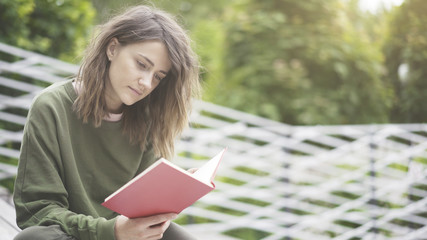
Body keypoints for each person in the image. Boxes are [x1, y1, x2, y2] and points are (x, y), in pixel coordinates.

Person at [13, 4, 201, 240]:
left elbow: (142, 209)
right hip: (74, 234)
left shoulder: (148, 121)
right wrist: (110, 231)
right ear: (112, 48)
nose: (146, 83)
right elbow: (37, 210)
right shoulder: (51, 107)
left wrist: (173, 194)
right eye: (142, 65)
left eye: (158, 77)